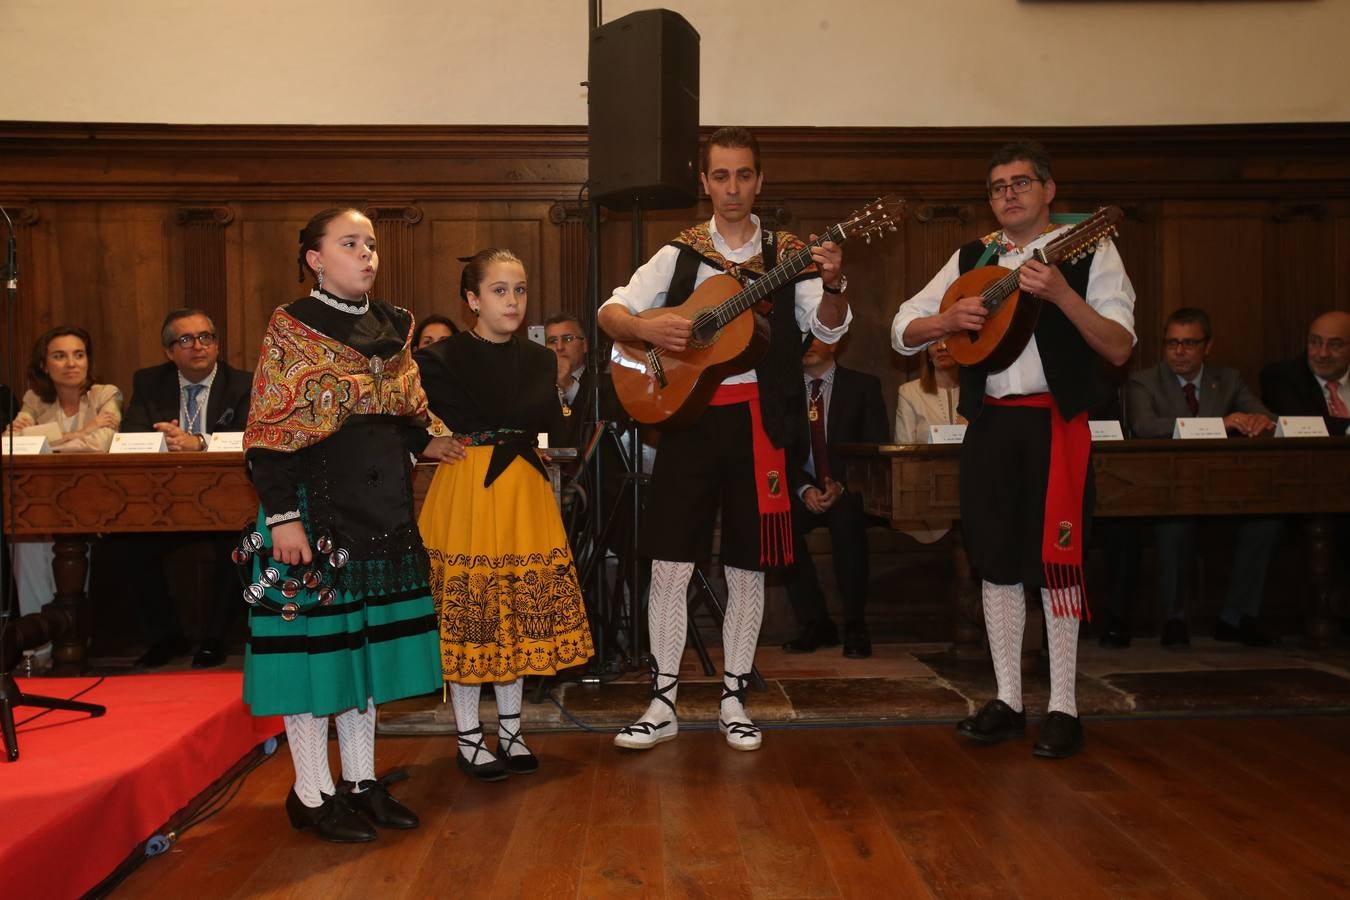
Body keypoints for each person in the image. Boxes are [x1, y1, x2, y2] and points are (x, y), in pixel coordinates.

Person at [599, 126, 848, 752]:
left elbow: (828, 330)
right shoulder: (678, 256)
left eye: (743, 175)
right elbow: (611, 312)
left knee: (747, 563)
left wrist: (837, 284)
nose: (732, 188)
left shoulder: (788, 253)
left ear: (760, 181)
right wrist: (651, 332)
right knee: (670, 561)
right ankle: (662, 700)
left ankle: (735, 696)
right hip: (688, 419)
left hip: (763, 425)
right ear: (704, 182)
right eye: (720, 176)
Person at [891, 140, 1136, 759]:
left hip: (1055, 423)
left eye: (1020, 183)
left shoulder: (1089, 248)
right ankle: (1006, 699)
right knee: (995, 562)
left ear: (1049, 191)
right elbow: (901, 327)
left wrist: (1061, 295)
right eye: (998, 186)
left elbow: (1119, 347)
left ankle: (1063, 708)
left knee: (1058, 564)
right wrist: (947, 322)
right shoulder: (973, 256)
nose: (1009, 194)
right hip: (992, 425)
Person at [242, 207, 463, 842]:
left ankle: (362, 785)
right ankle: (311, 794)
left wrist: (434, 441)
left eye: (370, 244)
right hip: (312, 513)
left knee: (363, 655)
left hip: (384, 512)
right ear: (315, 258)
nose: (366, 254)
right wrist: (283, 517)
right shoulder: (290, 328)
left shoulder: (395, 325)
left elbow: (405, 414)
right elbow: (268, 434)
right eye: (349, 244)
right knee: (317, 661)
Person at [415, 249, 593, 781]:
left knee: (513, 611)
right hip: (469, 487)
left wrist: (559, 391)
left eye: (519, 290)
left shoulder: (541, 359)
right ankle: (469, 735)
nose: (512, 301)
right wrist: (426, 444)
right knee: (474, 615)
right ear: (472, 299)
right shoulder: (438, 357)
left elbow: (558, 436)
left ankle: (511, 730)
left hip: (524, 491)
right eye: (499, 290)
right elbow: (393, 412)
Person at [1125, 307, 1281, 647]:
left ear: (1207, 347)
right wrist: (1220, 424)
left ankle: (1236, 617)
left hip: (1223, 486)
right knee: (1174, 522)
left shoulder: (1227, 379)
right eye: (1172, 343)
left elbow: (1266, 416)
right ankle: (1174, 620)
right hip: (1166, 486)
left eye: (1189, 343)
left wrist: (1259, 422)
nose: (1179, 352)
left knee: (1265, 521)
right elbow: (1144, 427)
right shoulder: (1145, 381)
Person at [117, 308, 254, 668]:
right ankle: (167, 637)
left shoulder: (242, 384)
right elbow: (131, 436)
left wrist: (198, 442)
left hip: (226, 500)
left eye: (206, 337)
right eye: (186, 339)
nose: (198, 346)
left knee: (238, 541)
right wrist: (167, 440)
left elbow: (248, 439)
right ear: (169, 351)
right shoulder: (149, 383)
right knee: (126, 542)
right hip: (164, 499)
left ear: (217, 346)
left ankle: (214, 638)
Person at [5, 327, 121, 644]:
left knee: (68, 537)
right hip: (43, 501)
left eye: (78, 354)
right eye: (60, 356)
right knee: (23, 538)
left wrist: (47, 439)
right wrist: (79, 432)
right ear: (44, 365)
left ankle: (73, 637)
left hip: (93, 499)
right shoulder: (34, 399)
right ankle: (36, 645)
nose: (71, 363)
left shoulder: (106, 395)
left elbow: (101, 443)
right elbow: (11, 442)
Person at [782, 337, 887, 657]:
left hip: (849, 488)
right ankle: (815, 622)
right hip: (803, 489)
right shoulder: (784, 393)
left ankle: (855, 623)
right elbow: (779, 451)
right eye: (802, 335)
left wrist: (840, 484)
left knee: (847, 519)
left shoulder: (863, 386)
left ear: (836, 340)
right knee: (778, 524)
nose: (808, 343)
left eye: (817, 335)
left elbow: (876, 448)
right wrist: (804, 489)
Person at [1261, 309, 1350, 435]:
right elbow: (1303, 422)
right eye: (1314, 342)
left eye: (1334, 345)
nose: (1323, 354)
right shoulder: (1281, 376)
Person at [894, 340, 965, 443]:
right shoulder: (909, 393)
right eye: (934, 341)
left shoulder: (978, 391)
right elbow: (904, 453)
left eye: (948, 339)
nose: (941, 347)